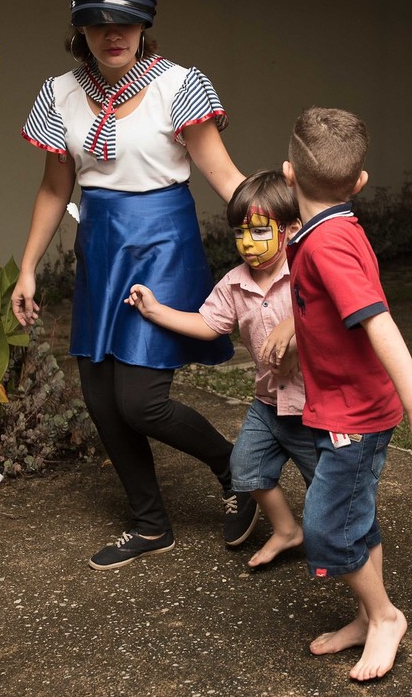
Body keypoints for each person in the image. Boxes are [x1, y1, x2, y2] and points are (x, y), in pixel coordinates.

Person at [11, 0, 255, 571]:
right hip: (100, 247)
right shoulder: (60, 94)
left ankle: (235, 468)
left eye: (124, 19)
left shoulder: (179, 85)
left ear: (145, 21)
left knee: (141, 400)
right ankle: (150, 523)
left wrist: (278, 231)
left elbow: (223, 174)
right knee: (99, 396)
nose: (112, 33)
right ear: (79, 27)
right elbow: (52, 189)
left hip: (163, 245)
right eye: (97, 20)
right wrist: (28, 267)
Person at [277, 106, 412, 681]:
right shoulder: (327, 231)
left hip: (357, 415)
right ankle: (363, 614)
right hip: (339, 407)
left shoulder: (328, 245)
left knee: (327, 528)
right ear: (358, 185)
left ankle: (384, 617)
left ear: (288, 173)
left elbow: (379, 322)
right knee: (355, 517)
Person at [124, 170, 315, 569]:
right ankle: (286, 529)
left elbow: (331, 312)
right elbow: (209, 325)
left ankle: (348, 545)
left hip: (314, 408)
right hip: (267, 404)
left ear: (291, 229)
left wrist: (293, 322)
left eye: (261, 232)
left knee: (328, 487)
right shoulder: (233, 283)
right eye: (240, 233)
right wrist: (155, 309)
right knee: (245, 468)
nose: (248, 243)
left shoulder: (306, 272)